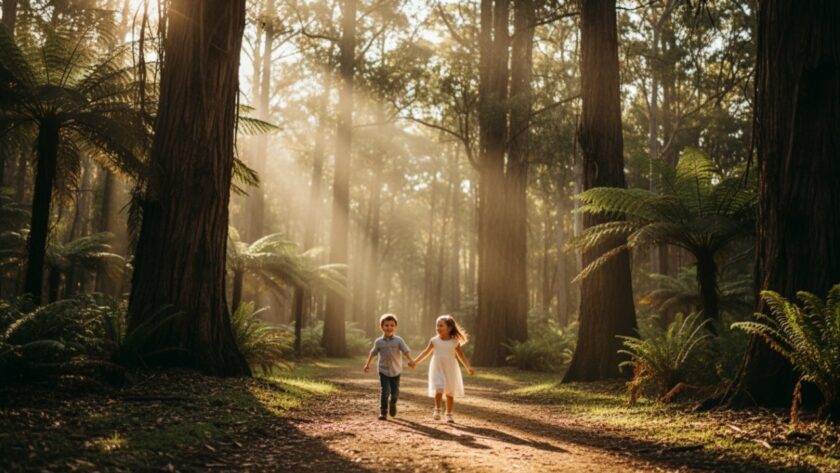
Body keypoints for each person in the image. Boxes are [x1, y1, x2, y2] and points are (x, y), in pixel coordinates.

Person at [412, 315, 474, 423]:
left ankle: (449, 413)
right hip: (437, 367)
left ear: (449, 328)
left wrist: (467, 367)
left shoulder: (454, 342)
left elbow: (460, 355)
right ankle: (437, 409)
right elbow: (426, 353)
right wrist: (415, 361)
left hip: (450, 368)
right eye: (437, 326)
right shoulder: (434, 340)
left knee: (450, 392)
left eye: (441, 325)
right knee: (439, 388)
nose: (438, 328)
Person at [363, 314, 415, 420]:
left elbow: (406, 351)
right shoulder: (378, 342)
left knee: (395, 392)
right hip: (383, 370)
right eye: (386, 325)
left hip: (396, 370)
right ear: (381, 327)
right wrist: (368, 364)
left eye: (392, 325)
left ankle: (393, 403)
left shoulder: (399, 340)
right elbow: (373, 353)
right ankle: (383, 412)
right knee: (385, 391)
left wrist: (411, 360)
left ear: (396, 327)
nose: (389, 327)